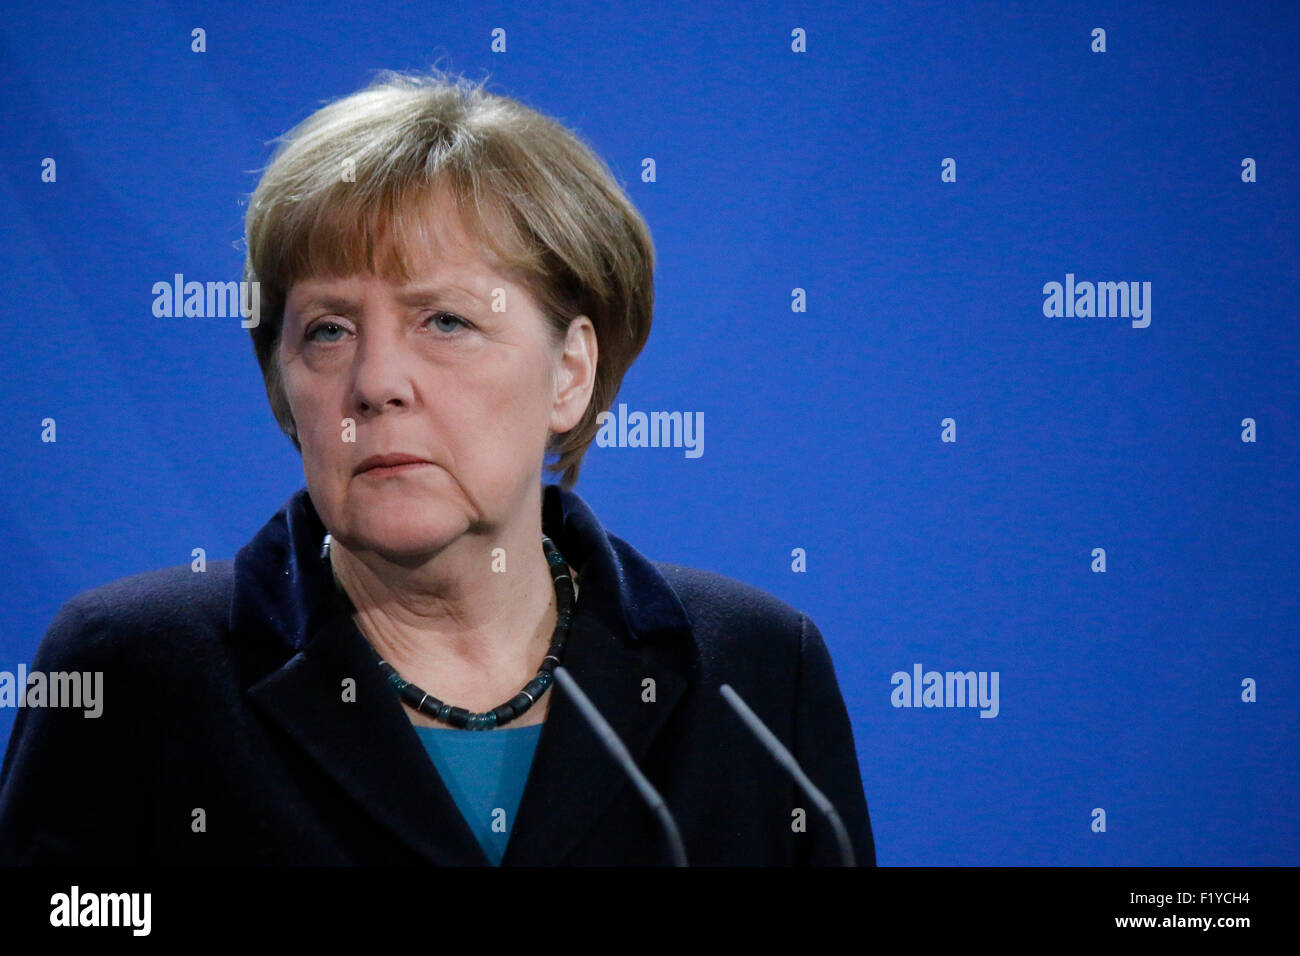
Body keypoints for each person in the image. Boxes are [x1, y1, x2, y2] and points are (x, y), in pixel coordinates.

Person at [0, 68, 875, 866]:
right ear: (283, 381)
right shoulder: (135, 674)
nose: (376, 383)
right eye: (329, 330)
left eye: (445, 321)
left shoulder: (756, 673)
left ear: (570, 372)